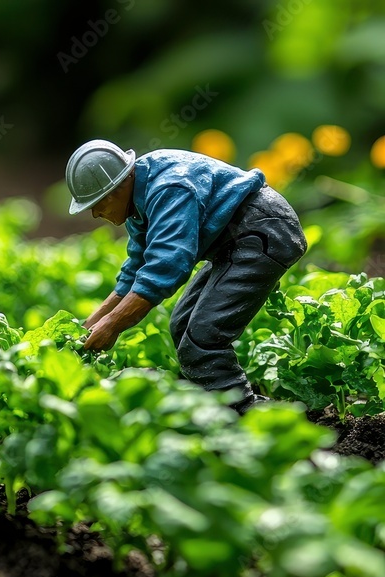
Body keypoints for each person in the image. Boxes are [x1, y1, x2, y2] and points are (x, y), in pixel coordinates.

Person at [65, 139, 307, 415]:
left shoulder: (169, 188)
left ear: (120, 186)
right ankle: (213, 405)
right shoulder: (138, 199)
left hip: (262, 231)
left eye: (99, 203)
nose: (95, 213)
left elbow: (166, 267)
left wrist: (113, 325)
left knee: (202, 337)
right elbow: (138, 265)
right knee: (182, 326)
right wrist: (91, 324)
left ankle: (244, 413)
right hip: (233, 240)